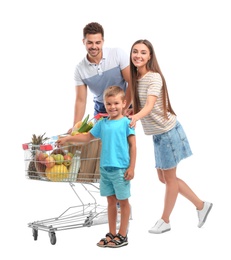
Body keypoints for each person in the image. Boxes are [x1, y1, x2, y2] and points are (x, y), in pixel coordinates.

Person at [128, 39, 212, 234]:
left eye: (143, 52)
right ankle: (201, 205)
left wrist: (134, 118)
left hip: (168, 133)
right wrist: (126, 112)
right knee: (164, 178)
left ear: (150, 56)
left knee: (169, 179)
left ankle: (165, 220)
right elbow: (137, 104)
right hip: (158, 136)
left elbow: (148, 106)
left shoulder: (154, 77)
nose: (138, 55)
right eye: (135, 52)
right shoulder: (136, 78)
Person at [57, 86, 136, 247]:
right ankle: (112, 233)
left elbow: (133, 146)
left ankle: (123, 235)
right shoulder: (102, 123)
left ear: (124, 103)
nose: (112, 107)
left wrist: (132, 167)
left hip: (120, 168)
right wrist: (67, 140)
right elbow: (87, 138)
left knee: (124, 202)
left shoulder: (127, 123)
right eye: (108, 104)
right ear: (104, 105)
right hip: (105, 168)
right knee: (111, 202)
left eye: (116, 103)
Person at [69, 22, 132, 133]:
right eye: (90, 43)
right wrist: (75, 128)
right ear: (83, 42)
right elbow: (81, 100)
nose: (94, 47)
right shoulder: (80, 69)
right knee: (99, 145)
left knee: (120, 142)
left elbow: (132, 83)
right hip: (101, 107)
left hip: (122, 104)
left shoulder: (117, 54)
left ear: (103, 41)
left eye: (98, 42)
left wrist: (124, 109)